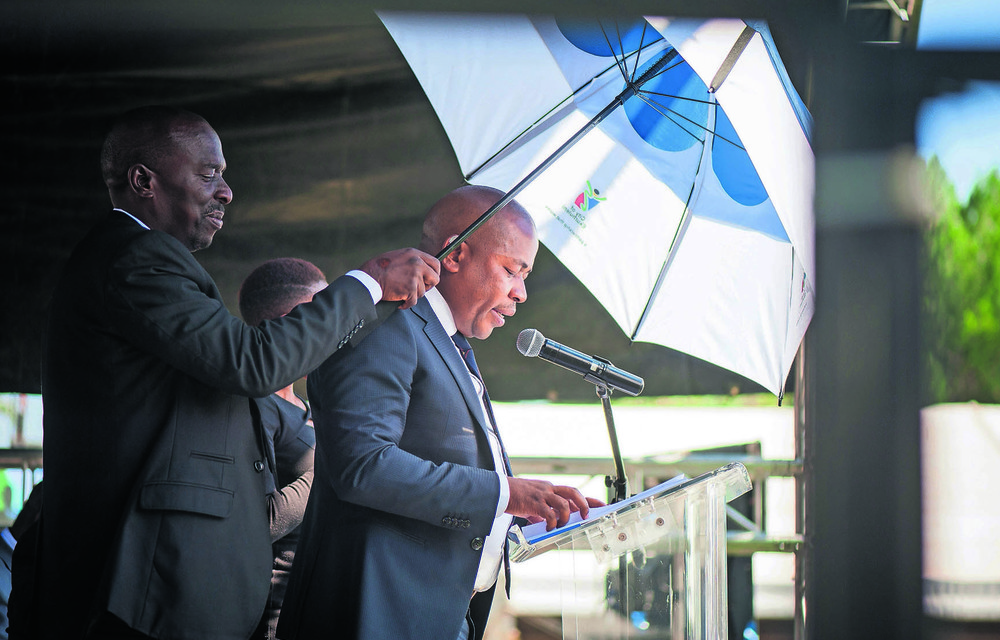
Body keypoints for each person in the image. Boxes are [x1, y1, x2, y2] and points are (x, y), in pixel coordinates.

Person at [29, 105, 439, 640]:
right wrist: (368, 282)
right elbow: (253, 363)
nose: (226, 192)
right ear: (142, 181)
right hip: (146, 594)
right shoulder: (137, 259)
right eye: (209, 174)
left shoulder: (138, 260)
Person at [277, 185, 603, 640]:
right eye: (512, 270)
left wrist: (518, 511)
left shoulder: (448, 341)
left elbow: (443, 469)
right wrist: (503, 494)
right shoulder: (387, 324)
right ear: (454, 254)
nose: (522, 292)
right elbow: (364, 465)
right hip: (376, 616)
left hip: (440, 614)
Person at [237, 257, 327, 640]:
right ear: (292, 318)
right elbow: (261, 519)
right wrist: (337, 465)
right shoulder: (253, 405)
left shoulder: (305, 405)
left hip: (314, 600)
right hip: (273, 611)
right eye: (325, 315)